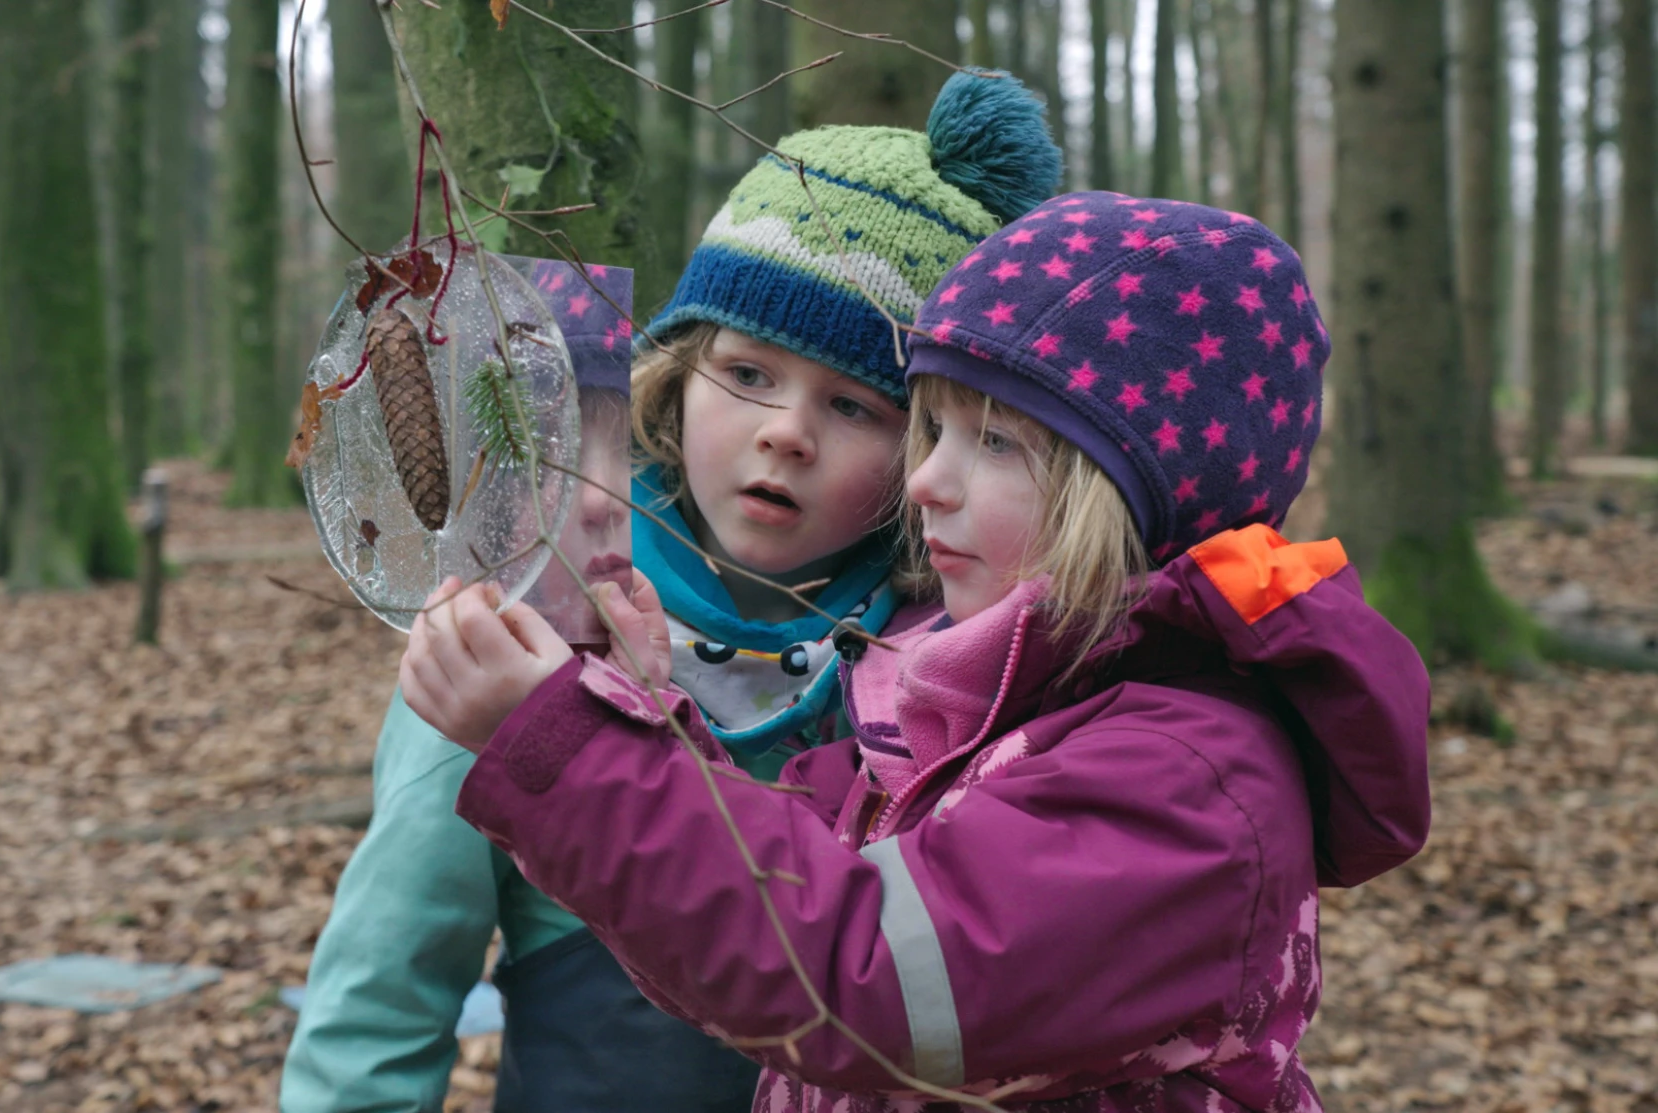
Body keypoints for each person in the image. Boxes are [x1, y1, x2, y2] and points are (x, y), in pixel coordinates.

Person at [401, 192, 1433, 1112]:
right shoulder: (985, 701)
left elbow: (854, 985)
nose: (926, 483)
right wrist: (634, 711)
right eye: (930, 432)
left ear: (1129, 494)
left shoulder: (1189, 777)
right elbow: (783, 898)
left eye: (993, 442)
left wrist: (565, 752)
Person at [280, 70, 1064, 1113]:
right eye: (747, 375)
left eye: (853, 404)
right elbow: (386, 984)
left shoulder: (953, 669)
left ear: (927, 449)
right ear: (678, 374)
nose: (787, 430)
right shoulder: (540, 615)